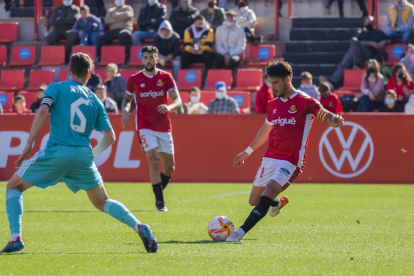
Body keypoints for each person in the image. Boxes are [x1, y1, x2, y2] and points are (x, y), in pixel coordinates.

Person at [0, 53, 158, 253]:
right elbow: (110, 137)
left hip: (57, 151)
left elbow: (42, 111)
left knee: (14, 185)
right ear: (90, 74)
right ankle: (139, 226)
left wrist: (29, 143)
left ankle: (15, 238)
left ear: (69, 72)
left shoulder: (56, 87)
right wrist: (92, 153)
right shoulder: (95, 100)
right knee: (103, 202)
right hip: (83, 155)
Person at [226, 58, 344, 243]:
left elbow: (324, 115)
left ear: (288, 79)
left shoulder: (306, 102)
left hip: (291, 160)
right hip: (270, 158)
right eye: (270, 83)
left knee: (271, 189)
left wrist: (334, 120)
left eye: (276, 82)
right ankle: (277, 203)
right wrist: (246, 152)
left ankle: (239, 233)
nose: (273, 87)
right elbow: (265, 131)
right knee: (254, 200)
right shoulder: (273, 105)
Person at [121, 46, 182, 212]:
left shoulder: (165, 77)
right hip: (144, 124)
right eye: (145, 57)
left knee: (169, 167)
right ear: (142, 59)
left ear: (157, 59)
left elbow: (178, 100)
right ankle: (160, 201)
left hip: (163, 125)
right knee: (154, 161)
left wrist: (170, 107)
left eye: (151, 57)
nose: (148, 60)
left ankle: (157, 188)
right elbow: (126, 100)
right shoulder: (134, 79)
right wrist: (125, 112)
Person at [319, 16, 389, 89]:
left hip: (369, 55)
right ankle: (332, 83)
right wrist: (370, 43)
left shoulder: (378, 33)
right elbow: (354, 41)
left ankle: (355, 66)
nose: (368, 24)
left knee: (350, 53)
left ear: (374, 23)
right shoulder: (360, 31)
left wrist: (384, 41)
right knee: (350, 51)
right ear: (364, 23)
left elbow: (390, 39)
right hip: (356, 54)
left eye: (370, 23)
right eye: (367, 22)